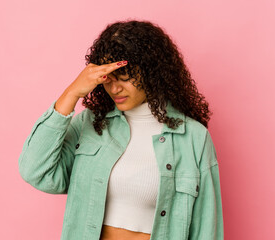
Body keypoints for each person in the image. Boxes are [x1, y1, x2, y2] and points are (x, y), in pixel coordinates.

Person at [18, 20, 224, 240]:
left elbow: (206, 227)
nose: (114, 89)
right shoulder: (91, 124)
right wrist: (71, 94)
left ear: (151, 72)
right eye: (108, 80)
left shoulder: (192, 138)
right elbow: (35, 171)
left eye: (125, 78)